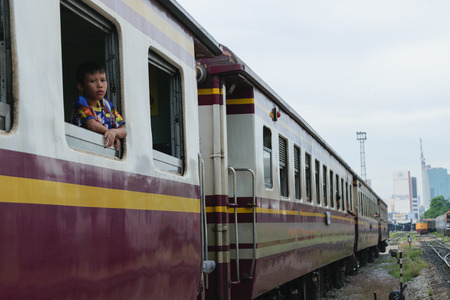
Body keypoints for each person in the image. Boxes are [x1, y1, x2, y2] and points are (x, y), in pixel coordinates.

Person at [72, 61, 127, 150]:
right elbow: (92, 125)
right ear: (81, 86)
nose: (100, 85)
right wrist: (109, 133)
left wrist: (114, 132)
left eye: (103, 80)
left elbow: (123, 131)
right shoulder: (81, 102)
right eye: (93, 81)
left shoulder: (106, 104)